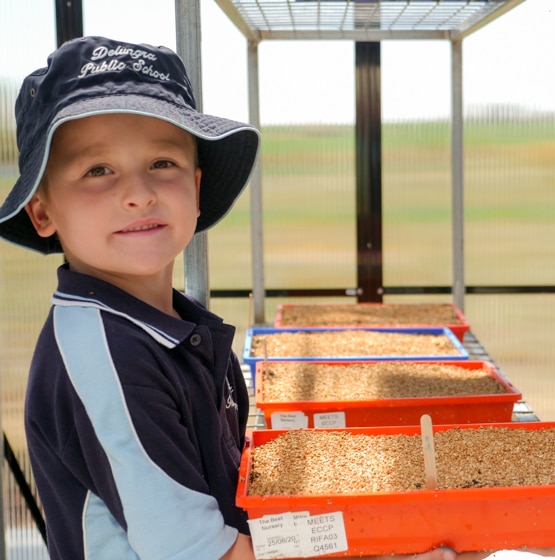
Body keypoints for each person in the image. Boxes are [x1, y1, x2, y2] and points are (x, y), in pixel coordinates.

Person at [0, 36, 459, 560]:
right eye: (97, 170)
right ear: (42, 212)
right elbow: (201, 553)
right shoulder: (106, 357)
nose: (139, 193)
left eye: (162, 163)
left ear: (196, 189)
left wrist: (379, 535)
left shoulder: (165, 324)